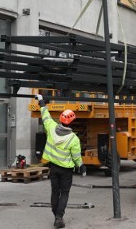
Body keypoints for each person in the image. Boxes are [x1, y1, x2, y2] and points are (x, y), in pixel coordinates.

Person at [36, 94, 85, 229]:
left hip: (54, 168)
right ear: (72, 122)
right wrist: (81, 166)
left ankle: (55, 213)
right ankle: (59, 216)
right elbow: (76, 157)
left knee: (54, 191)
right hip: (66, 170)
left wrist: (41, 101)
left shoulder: (51, 128)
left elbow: (45, 115)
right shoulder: (73, 139)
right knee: (64, 193)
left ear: (61, 119)